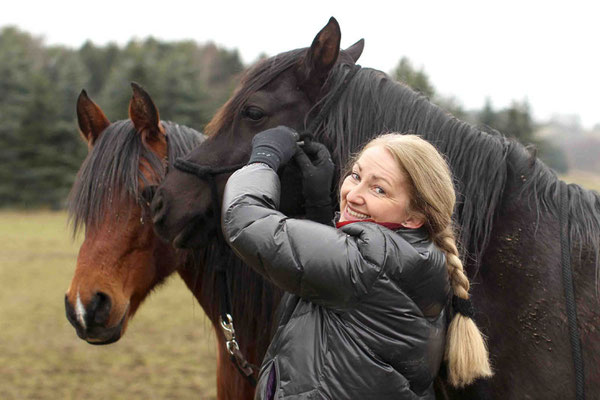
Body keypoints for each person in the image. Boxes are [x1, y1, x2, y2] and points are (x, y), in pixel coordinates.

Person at [221, 126, 492, 399]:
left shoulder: (370, 262)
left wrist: (264, 158)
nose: (352, 195)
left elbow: (245, 220)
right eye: (355, 175)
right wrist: (319, 209)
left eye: (378, 189)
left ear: (413, 217)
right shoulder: (414, 255)